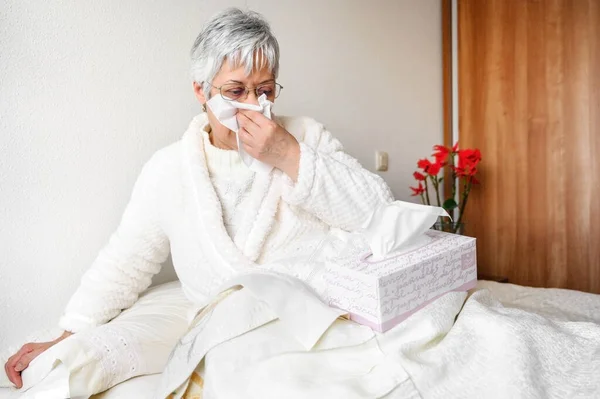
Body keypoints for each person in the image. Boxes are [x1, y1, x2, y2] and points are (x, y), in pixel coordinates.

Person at [4, 7, 393, 389]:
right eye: (235, 91)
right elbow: (125, 262)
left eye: (265, 90)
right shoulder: (169, 171)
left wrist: (289, 156)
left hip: (318, 313)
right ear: (201, 91)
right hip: (236, 333)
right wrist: (68, 332)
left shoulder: (304, 135)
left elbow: (379, 211)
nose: (254, 105)